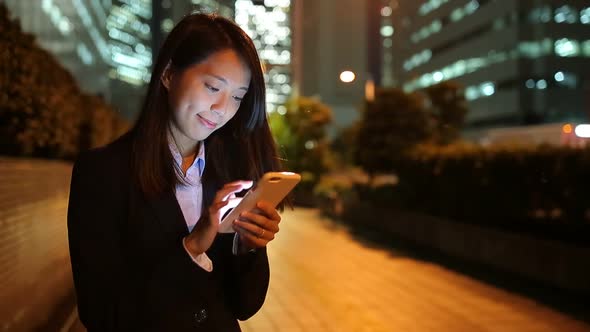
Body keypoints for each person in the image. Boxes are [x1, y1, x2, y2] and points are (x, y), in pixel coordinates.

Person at [67, 13, 285, 331]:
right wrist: (192, 246)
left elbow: (245, 305)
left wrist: (248, 247)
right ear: (169, 74)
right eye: (213, 87)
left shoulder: (232, 175)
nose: (222, 108)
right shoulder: (102, 172)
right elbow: (100, 314)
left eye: (238, 96)